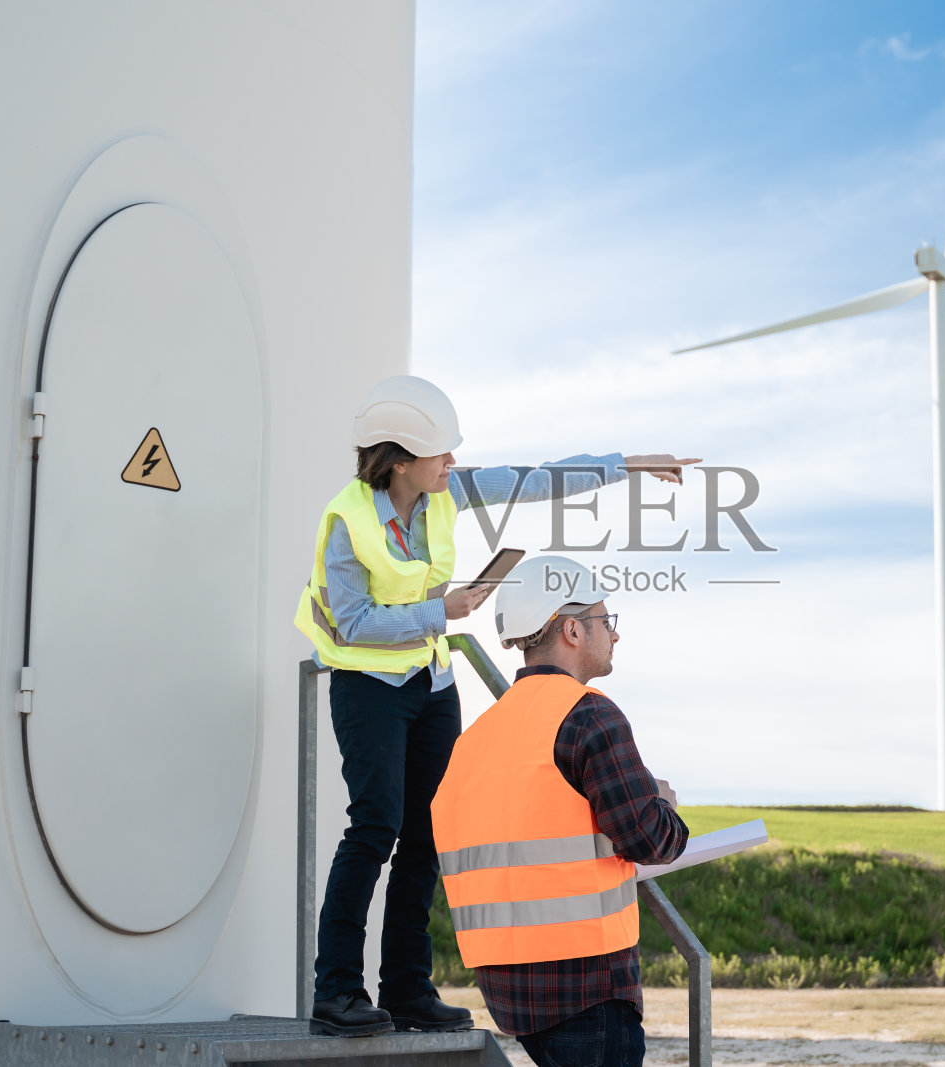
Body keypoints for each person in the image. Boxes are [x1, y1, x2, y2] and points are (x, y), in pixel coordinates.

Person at [296, 375, 696, 1037]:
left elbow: (534, 479)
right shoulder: (347, 520)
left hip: (430, 681)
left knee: (426, 834)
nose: (452, 462)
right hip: (367, 683)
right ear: (400, 458)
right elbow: (351, 621)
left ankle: (405, 989)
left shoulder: (445, 491)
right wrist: (440, 610)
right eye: (441, 452)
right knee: (374, 826)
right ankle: (335, 990)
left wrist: (629, 466)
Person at [430, 555, 688, 1066]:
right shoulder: (589, 714)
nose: (613, 635)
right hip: (587, 988)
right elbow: (651, 839)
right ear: (572, 629)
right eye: (605, 621)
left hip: (511, 994)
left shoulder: (476, 739)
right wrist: (661, 801)